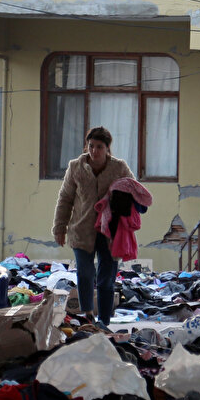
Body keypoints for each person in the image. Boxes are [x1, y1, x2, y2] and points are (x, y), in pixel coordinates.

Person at [52, 126, 133, 326]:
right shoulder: (75, 167)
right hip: (81, 230)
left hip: (109, 232)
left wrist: (120, 202)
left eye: (99, 147)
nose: (94, 151)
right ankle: (88, 315)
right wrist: (59, 228)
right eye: (91, 146)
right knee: (85, 273)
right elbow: (65, 199)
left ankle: (104, 321)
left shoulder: (119, 167)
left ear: (107, 149)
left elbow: (134, 190)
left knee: (106, 279)